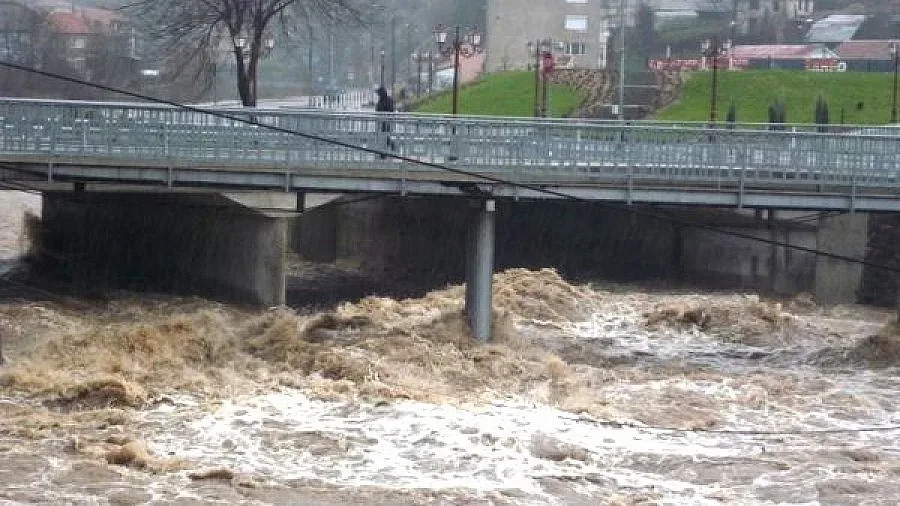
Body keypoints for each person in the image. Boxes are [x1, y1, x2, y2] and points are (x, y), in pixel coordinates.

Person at [375, 86, 396, 158]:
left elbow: (390, 110)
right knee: (384, 137)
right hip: (382, 121)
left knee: (385, 137)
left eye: (378, 93)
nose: (378, 95)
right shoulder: (382, 100)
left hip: (386, 121)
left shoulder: (387, 100)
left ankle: (385, 153)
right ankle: (386, 152)